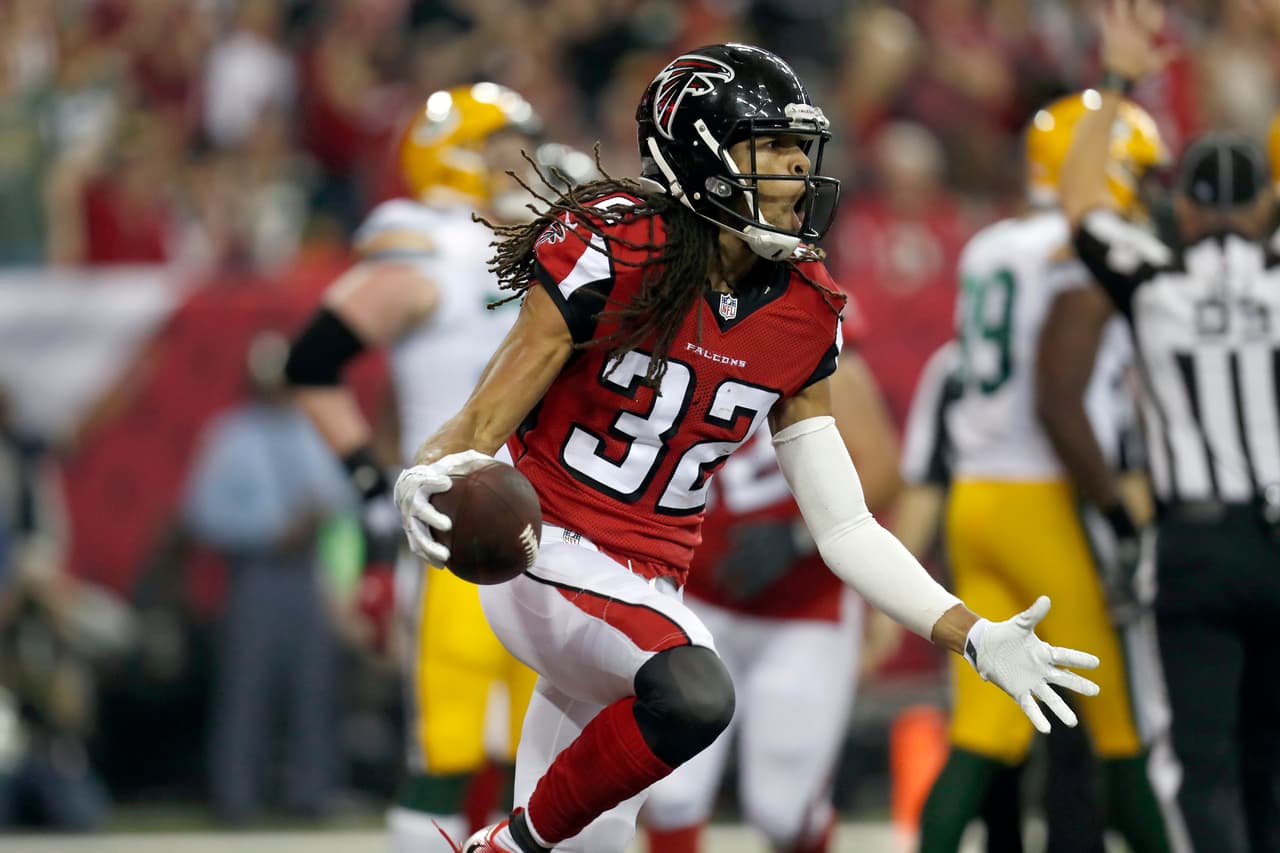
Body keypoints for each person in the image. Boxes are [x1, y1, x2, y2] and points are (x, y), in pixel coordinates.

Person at [393, 43, 1101, 853]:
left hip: (640, 590)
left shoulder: (806, 308)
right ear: (699, 153)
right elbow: (481, 420)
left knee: (592, 837)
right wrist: (427, 474)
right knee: (693, 687)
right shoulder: (613, 247)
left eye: (803, 149)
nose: (797, 170)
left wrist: (971, 633)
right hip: (547, 548)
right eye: (772, 147)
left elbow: (846, 528)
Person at [284, 83, 577, 851]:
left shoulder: (557, 236)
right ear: (456, 155)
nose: (528, 159)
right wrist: (370, 483)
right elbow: (312, 360)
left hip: (567, 529)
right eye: (506, 143)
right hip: (463, 528)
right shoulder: (430, 248)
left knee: (544, 756)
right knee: (447, 746)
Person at [916, 78, 1177, 853]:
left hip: (976, 498)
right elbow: (1060, 396)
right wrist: (1117, 509)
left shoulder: (989, 243)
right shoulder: (1072, 253)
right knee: (1118, 722)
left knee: (982, 728)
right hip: (1042, 501)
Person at [1058, 2, 1280, 849]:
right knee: (1272, 757)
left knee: (1205, 760)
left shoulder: (1154, 277)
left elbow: (1079, 200)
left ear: (1182, 209)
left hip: (1192, 543)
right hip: (1276, 536)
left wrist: (1115, 81)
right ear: (1263, 208)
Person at [641, 311, 901, 853]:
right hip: (696, 594)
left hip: (804, 608)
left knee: (782, 813)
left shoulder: (804, 323)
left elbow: (880, 467)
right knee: (668, 794)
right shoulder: (671, 315)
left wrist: (795, 539)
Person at [183, 331, 352, 824]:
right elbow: (203, 512)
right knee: (246, 686)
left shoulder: (312, 431)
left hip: (308, 573)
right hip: (256, 570)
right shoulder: (230, 435)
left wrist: (317, 517)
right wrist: (270, 532)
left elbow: (341, 494)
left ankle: (312, 792)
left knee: (313, 684)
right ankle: (236, 796)